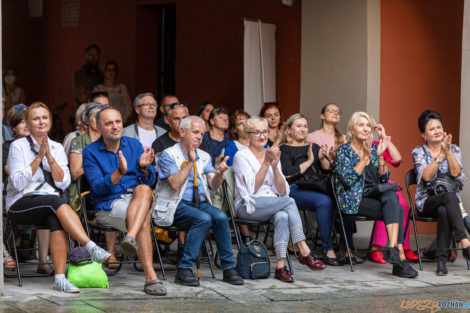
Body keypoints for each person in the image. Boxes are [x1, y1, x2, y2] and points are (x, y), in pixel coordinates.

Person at [6, 102, 111, 293]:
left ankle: (60, 278)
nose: (41, 122)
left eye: (44, 118)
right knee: (56, 202)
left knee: (56, 213)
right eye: (36, 118)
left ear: (50, 122)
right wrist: (38, 158)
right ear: (28, 124)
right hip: (20, 205)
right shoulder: (17, 147)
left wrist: (50, 159)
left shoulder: (55, 147)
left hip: (48, 204)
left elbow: (63, 182)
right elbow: (17, 183)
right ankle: (90, 245)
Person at [83, 107, 166, 295]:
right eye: (109, 123)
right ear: (99, 127)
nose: (115, 126)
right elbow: (97, 188)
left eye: (118, 122)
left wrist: (145, 168)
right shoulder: (90, 152)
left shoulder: (134, 145)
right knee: (143, 219)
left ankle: (130, 237)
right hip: (108, 205)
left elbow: (150, 181)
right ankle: (151, 277)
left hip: (137, 198)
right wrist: (118, 173)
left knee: (144, 189)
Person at [232, 116, 326, 283]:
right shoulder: (241, 156)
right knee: (290, 202)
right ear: (247, 135)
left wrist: (275, 168)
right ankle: (304, 250)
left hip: (272, 204)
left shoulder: (271, 154)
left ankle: (280, 267)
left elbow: (282, 191)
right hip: (249, 206)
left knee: (283, 215)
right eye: (257, 132)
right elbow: (251, 190)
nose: (262, 136)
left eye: (265, 132)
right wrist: (266, 163)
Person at [155, 116, 244, 287]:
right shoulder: (168, 155)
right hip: (175, 205)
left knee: (220, 217)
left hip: (199, 204)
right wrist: (189, 162)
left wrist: (219, 174)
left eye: (202, 134)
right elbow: (174, 184)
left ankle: (228, 268)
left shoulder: (204, 155)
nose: (199, 137)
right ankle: (184, 268)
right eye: (195, 132)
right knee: (202, 219)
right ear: (182, 132)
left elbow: (213, 185)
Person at [335, 111, 418, 278]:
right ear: (352, 128)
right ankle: (399, 258)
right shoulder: (343, 151)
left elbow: (383, 178)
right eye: (361, 125)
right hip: (353, 200)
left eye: (368, 125)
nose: (365, 128)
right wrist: (364, 158)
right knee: (398, 209)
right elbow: (348, 180)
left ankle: (394, 250)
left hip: (372, 195)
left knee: (391, 197)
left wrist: (380, 158)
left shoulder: (374, 148)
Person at [412, 110, 470, 275]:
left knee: (444, 210)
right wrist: (440, 156)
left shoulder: (455, 149)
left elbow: (455, 173)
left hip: (448, 204)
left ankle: (441, 262)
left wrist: (448, 151)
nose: (437, 131)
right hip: (426, 202)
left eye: (439, 127)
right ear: (424, 134)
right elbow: (426, 177)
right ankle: (464, 241)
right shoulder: (419, 152)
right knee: (448, 198)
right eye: (432, 129)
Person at [280, 113, 339, 266]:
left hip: (316, 186)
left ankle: (347, 246)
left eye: (305, 126)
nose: (303, 129)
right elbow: (287, 173)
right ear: (289, 130)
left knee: (341, 198)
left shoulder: (314, 147)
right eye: (298, 126)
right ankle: (328, 248)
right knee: (325, 202)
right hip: (295, 189)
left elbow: (326, 170)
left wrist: (322, 158)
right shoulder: (284, 149)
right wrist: (310, 161)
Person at [68, 103, 119, 269]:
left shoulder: (112, 141)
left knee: (114, 196)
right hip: (86, 193)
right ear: (87, 121)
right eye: (96, 117)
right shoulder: (79, 142)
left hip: (108, 189)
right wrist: (97, 169)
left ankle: (111, 251)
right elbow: (75, 172)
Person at [369, 124, 419, 263]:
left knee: (402, 205)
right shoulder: (353, 147)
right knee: (387, 203)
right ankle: (376, 247)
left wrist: (384, 138)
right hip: (368, 185)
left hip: (382, 181)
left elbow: (397, 159)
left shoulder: (377, 145)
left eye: (368, 126)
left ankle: (403, 246)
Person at [151, 102, 189, 260]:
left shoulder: (198, 139)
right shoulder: (160, 143)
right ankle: (183, 246)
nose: (181, 122)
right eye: (177, 119)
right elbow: (166, 178)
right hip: (169, 192)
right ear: (167, 120)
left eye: (185, 118)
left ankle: (188, 247)